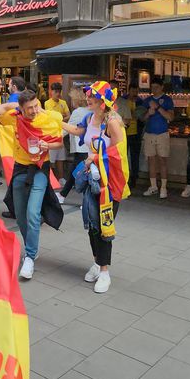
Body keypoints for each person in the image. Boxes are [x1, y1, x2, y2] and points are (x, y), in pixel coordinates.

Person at [62, 82, 129, 293]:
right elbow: (77, 130)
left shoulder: (113, 123)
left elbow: (120, 152)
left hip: (110, 183)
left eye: (93, 97)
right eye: (89, 96)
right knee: (91, 224)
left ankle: (105, 272)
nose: (88, 99)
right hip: (92, 179)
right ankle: (97, 263)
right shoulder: (90, 117)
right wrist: (53, 120)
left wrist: (95, 157)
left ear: (104, 102)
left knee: (103, 226)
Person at [0, 90, 63, 279]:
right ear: (21, 108)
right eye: (29, 108)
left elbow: (59, 143)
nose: (34, 110)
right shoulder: (14, 118)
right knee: (20, 216)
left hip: (40, 168)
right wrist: (12, 107)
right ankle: (32, 250)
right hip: (20, 168)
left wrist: (48, 146)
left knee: (33, 212)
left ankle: (29, 257)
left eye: (36, 105)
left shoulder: (52, 117)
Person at [141, 77, 174, 199]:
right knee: (151, 160)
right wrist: (148, 113)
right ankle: (153, 186)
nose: (154, 89)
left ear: (161, 87)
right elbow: (142, 118)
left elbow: (171, 117)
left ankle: (164, 187)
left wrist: (158, 108)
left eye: (156, 87)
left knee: (163, 160)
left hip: (162, 133)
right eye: (152, 87)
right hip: (149, 133)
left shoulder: (167, 100)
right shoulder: (147, 100)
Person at [59, 87, 92, 200]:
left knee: (78, 173)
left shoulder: (77, 112)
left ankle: (64, 195)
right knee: (81, 172)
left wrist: (53, 137)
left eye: (72, 99)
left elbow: (68, 129)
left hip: (80, 147)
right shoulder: (89, 110)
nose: (71, 102)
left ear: (76, 100)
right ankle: (64, 194)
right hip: (88, 147)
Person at [45, 82, 71, 181]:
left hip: (61, 132)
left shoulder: (63, 103)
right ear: (51, 92)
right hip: (51, 133)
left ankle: (61, 178)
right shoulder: (47, 103)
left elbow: (68, 115)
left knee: (61, 157)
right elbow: (49, 118)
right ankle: (52, 179)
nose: (58, 93)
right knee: (51, 158)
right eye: (56, 91)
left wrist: (60, 121)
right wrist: (61, 119)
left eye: (59, 91)